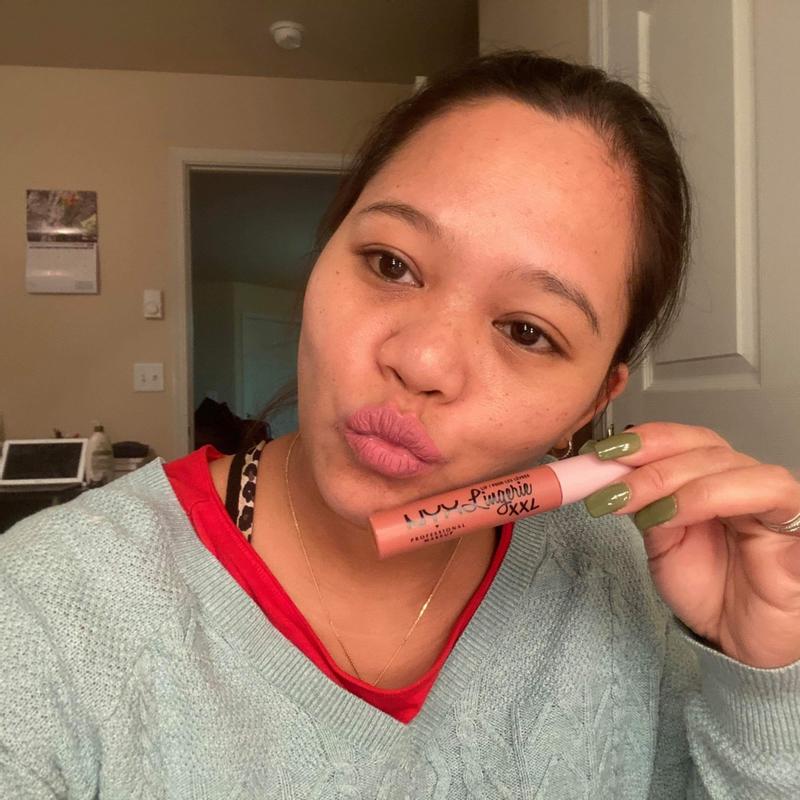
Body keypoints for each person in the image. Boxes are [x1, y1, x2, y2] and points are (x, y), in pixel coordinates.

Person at [1, 51, 799, 798]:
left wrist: (763, 683)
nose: (422, 361)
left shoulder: (627, 571)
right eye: (392, 264)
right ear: (323, 256)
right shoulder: (44, 611)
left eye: (527, 331)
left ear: (592, 406)